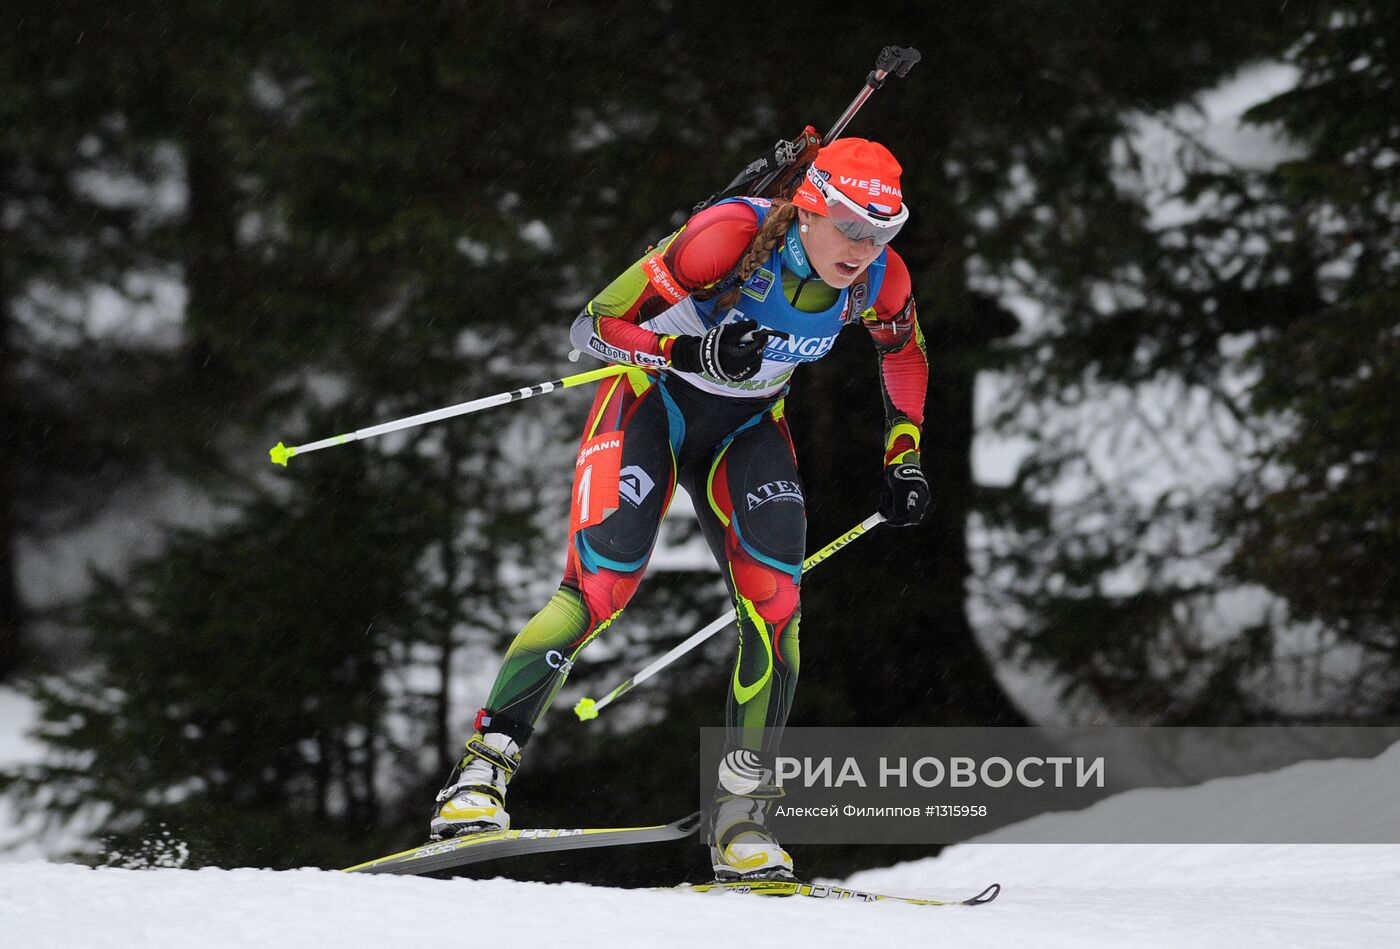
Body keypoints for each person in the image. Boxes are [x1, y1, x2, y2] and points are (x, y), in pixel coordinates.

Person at [430, 138, 930, 881]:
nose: (865, 248)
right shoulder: (728, 234)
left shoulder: (877, 279)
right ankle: (481, 774)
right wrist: (686, 356)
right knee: (602, 587)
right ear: (811, 207)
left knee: (778, 604)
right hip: (649, 405)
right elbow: (593, 326)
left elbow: (904, 351)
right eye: (853, 226)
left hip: (748, 429)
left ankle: (742, 819)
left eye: (883, 231)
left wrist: (905, 453)